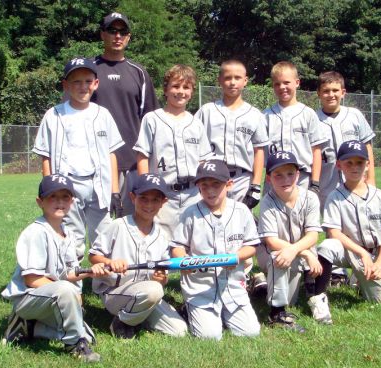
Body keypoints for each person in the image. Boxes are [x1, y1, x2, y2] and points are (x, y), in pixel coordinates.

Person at [1, 174, 110, 363]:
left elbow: (67, 274)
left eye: (65, 197)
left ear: (72, 201)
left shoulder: (67, 234)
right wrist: (68, 292)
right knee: (72, 310)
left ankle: (30, 328)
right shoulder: (36, 232)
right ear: (40, 202)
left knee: (90, 335)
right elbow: (32, 280)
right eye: (53, 196)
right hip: (27, 298)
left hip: (50, 296)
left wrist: (90, 271)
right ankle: (76, 346)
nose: (60, 202)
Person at [33, 57, 123, 261]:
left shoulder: (103, 114)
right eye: (76, 81)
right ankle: (73, 283)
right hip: (68, 186)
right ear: (65, 85)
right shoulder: (54, 115)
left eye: (88, 81)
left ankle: (105, 286)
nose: (83, 86)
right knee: (72, 238)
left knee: (104, 237)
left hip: (98, 185)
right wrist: (50, 189)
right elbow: (45, 156)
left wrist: (115, 191)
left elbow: (111, 154)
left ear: (96, 84)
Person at [170, 159, 261, 340]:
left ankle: (222, 314)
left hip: (233, 286)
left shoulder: (241, 211)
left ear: (229, 184)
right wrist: (185, 262)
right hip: (201, 287)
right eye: (204, 186)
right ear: (198, 187)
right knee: (210, 336)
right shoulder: (190, 213)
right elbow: (177, 248)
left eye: (216, 185)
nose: (210, 190)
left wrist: (236, 257)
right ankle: (189, 310)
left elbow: (252, 245)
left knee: (250, 332)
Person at [89, 173, 188, 339]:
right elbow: (93, 256)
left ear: (164, 202)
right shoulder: (118, 226)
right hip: (115, 292)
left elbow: (161, 279)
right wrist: (109, 262)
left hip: (145, 293)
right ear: (133, 197)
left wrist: (160, 279)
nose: (149, 204)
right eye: (143, 198)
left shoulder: (162, 236)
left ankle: (137, 318)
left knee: (179, 330)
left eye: (155, 199)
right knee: (153, 291)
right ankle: (122, 322)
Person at [314, 141, 381, 318]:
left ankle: (358, 279)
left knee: (376, 301)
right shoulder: (335, 196)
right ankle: (318, 297)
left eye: (360, 162)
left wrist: (380, 263)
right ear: (339, 165)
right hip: (348, 251)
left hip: (373, 255)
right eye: (349, 163)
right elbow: (334, 232)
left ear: (368, 165)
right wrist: (362, 253)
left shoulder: (380, 196)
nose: (355, 167)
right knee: (326, 246)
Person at [92, 12, 160, 217]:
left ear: (128, 37)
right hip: (98, 165)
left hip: (133, 164)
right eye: (112, 30)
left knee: (133, 228)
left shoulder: (139, 72)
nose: (117, 36)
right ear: (102, 34)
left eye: (123, 32)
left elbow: (152, 121)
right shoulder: (89, 70)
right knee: (102, 232)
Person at [134, 64, 213, 238]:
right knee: (161, 240)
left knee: (193, 238)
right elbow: (142, 156)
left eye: (186, 87)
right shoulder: (152, 119)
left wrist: (203, 188)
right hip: (163, 193)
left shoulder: (196, 123)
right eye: (175, 86)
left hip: (192, 191)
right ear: (166, 90)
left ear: (192, 92)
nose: (181, 92)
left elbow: (202, 161)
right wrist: (146, 188)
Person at [316, 71, 377, 286]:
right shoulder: (313, 118)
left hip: (356, 178)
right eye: (326, 91)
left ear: (343, 92)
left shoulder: (354, 115)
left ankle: (361, 267)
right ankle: (337, 270)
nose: (330, 95)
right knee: (332, 225)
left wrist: (371, 180)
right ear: (318, 94)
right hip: (327, 178)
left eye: (335, 90)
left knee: (357, 224)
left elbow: (368, 148)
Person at [256, 151, 326, 333]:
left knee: (292, 299)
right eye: (278, 174)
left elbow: (313, 235)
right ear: (269, 178)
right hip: (274, 253)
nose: (285, 179)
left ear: (298, 174)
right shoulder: (267, 201)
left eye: (289, 173)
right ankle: (276, 314)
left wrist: (298, 251)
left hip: (296, 253)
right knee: (277, 257)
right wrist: (306, 253)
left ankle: (264, 285)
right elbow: (271, 241)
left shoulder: (310, 197)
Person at [194, 59, 269, 207]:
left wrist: (255, 185)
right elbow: (195, 145)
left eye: (237, 78)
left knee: (239, 225)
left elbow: (258, 151)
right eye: (228, 78)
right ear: (220, 80)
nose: (232, 82)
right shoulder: (207, 111)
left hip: (242, 179)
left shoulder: (254, 114)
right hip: (211, 177)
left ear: (245, 80)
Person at [264, 61, 327, 192]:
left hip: (302, 177)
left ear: (297, 83)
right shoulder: (266, 115)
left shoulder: (308, 114)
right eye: (277, 84)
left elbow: (316, 150)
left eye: (286, 82)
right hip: (274, 177)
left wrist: (315, 182)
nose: (282, 87)